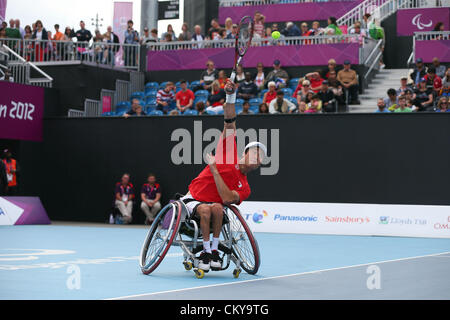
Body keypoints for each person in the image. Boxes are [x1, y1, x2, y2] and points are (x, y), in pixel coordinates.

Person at [179, 79, 267, 273]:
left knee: (218, 208)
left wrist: (214, 169)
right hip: (193, 199)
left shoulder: (245, 188)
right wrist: (229, 96)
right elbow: (229, 122)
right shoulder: (228, 153)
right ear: (244, 153)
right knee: (205, 210)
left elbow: (227, 198)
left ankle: (212, 251)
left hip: (215, 207)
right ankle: (206, 252)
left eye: (260, 158)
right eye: (254, 153)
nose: (257, 158)